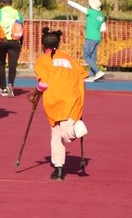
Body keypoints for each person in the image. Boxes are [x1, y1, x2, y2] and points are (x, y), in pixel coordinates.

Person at [27, 28, 88, 181]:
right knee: (57, 133)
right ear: (58, 43)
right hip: (73, 97)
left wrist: (33, 93)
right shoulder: (69, 59)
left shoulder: (42, 60)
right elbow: (83, 80)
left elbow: (44, 84)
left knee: (61, 133)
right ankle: (58, 168)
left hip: (55, 98)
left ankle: (74, 132)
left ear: (42, 45)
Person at [58, 0, 107, 82]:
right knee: (92, 57)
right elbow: (103, 29)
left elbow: (78, 7)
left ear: (92, 6)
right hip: (97, 37)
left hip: (90, 37)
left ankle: (97, 71)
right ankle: (92, 76)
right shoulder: (101, 16)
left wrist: (67, 1)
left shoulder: (91, 12)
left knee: (86, 55)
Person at [0, 0, 23, 98]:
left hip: (2, 41)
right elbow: (21, 27)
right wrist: (21, 42)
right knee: (12, 65)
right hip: (15, 41)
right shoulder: (17, 13)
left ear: (2, 2)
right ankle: (10, 84)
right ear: (11, 3)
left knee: (1, 64)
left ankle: (2, 88)